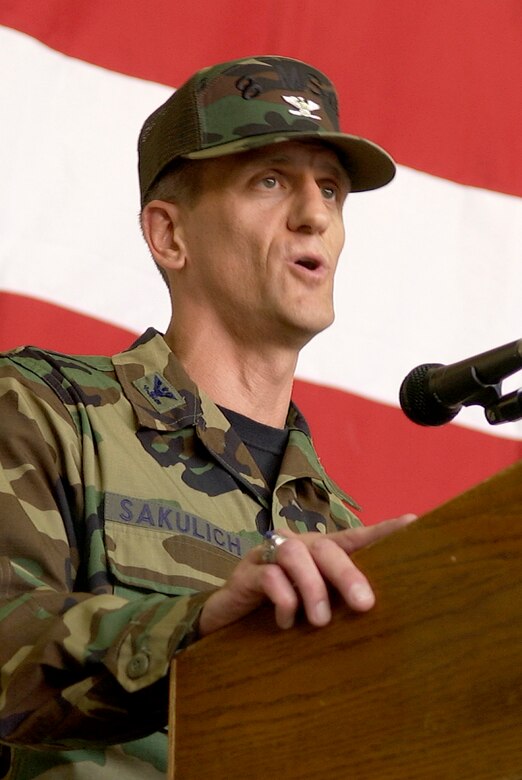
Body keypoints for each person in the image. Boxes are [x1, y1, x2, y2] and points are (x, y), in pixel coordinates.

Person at [0, 55, 414, 778]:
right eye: (270, 180)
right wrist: (198, 628)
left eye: (331, 189)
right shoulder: (46, 412)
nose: (315, 214)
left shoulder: (340, 534)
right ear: (169, 236)